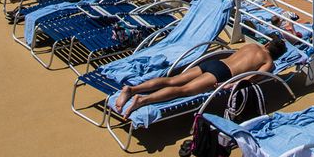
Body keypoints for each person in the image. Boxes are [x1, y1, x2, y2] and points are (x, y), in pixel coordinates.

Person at [113, 39, 288, 116]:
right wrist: (230, 85)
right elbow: (253, 77)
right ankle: (143, 100)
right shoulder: (269, 61)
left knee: (172, 80)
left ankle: (132, 89)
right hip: (223, 74)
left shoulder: (252, 45)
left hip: (214, 62)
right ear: (276, 55)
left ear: (267, 44)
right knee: (184, 90)